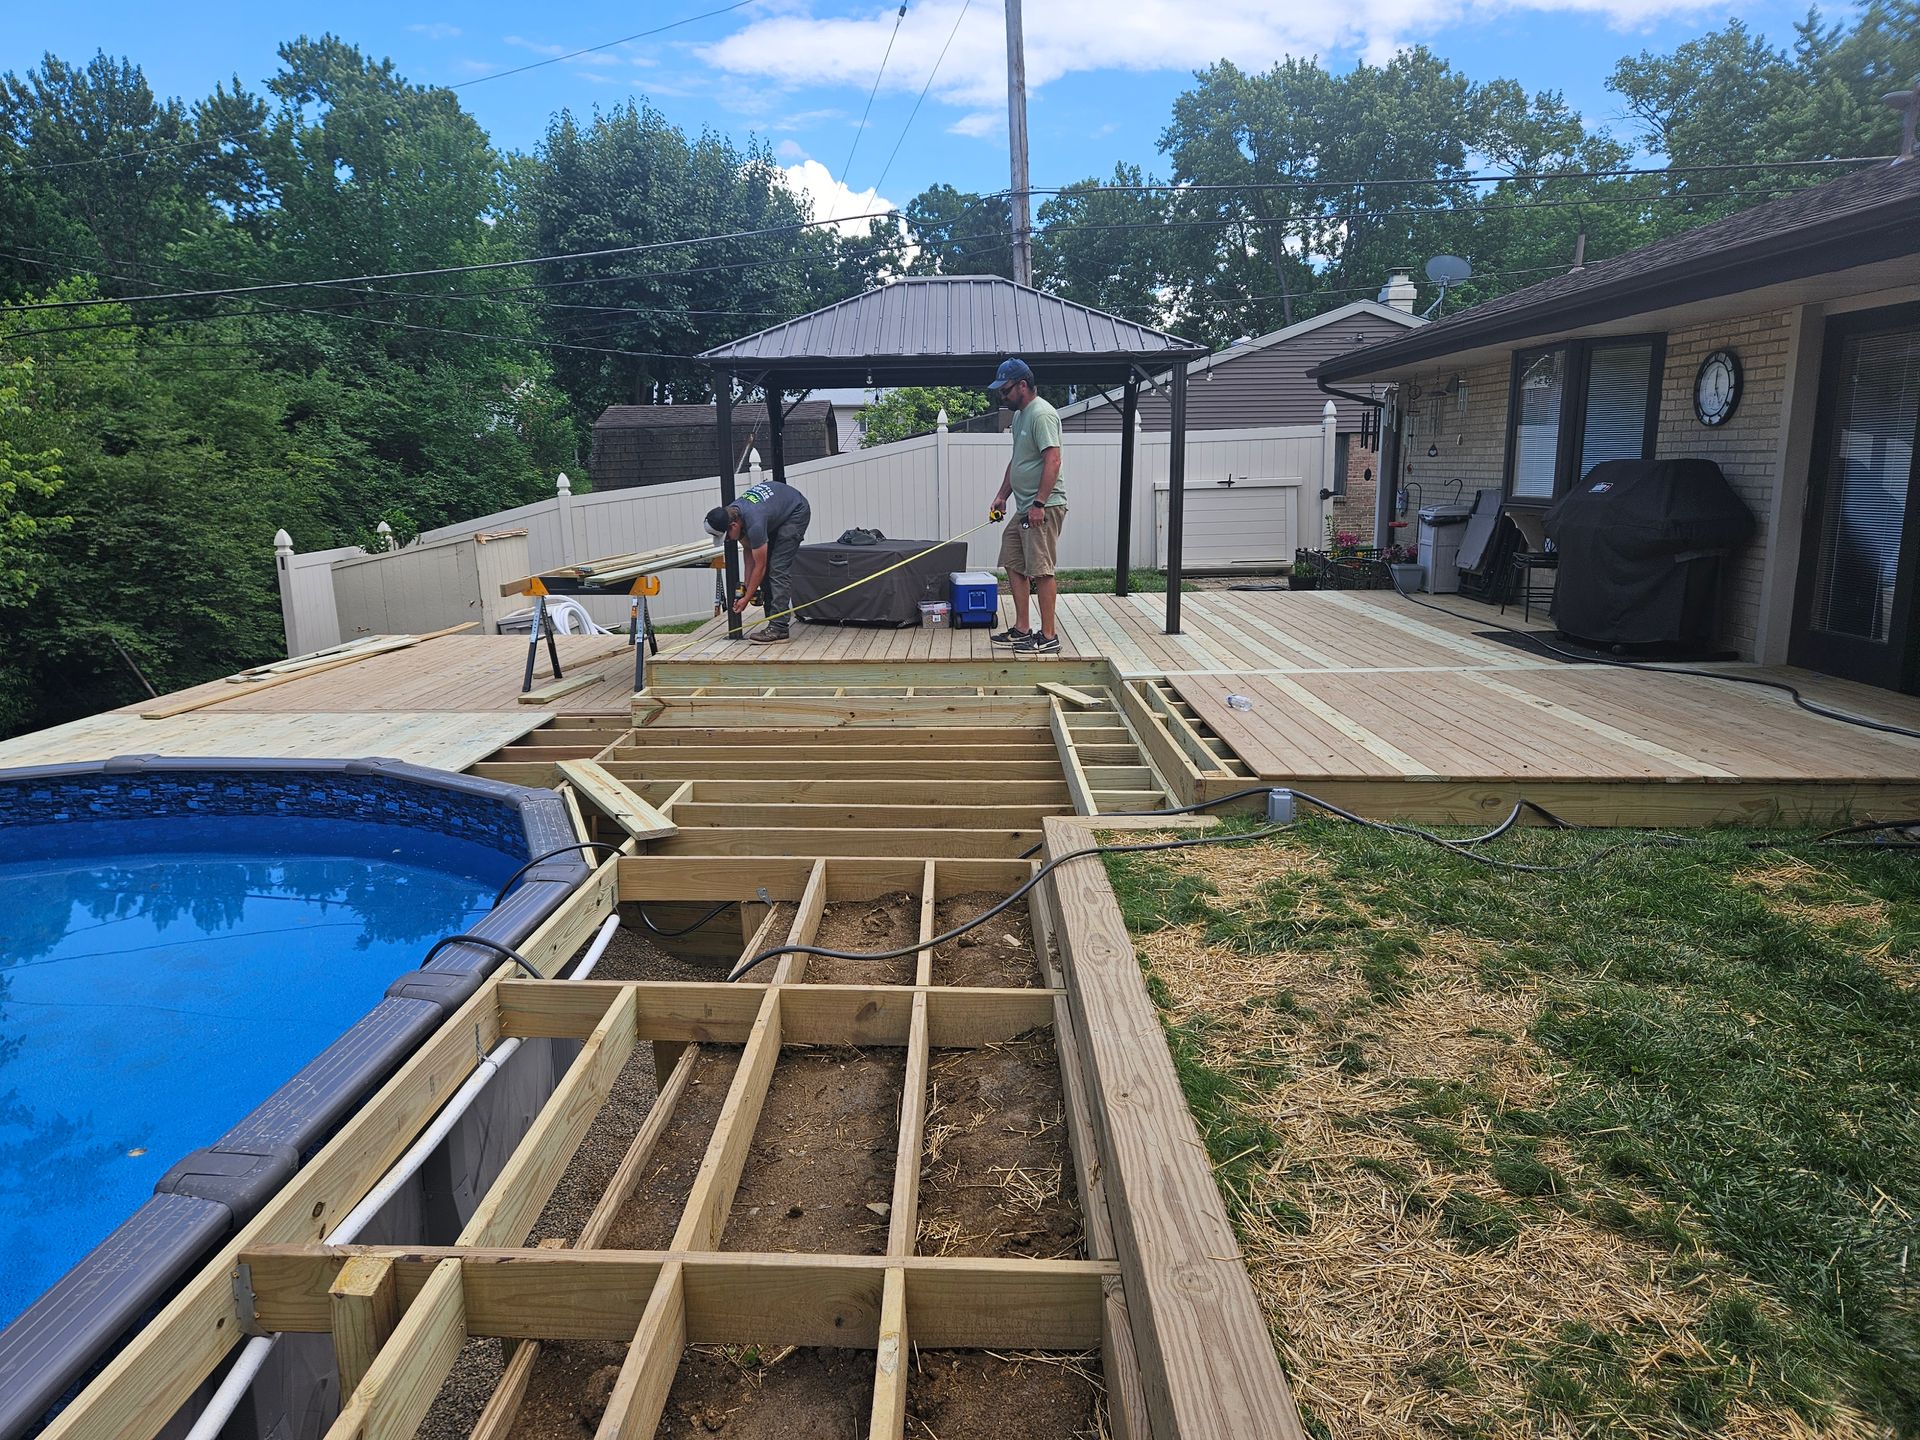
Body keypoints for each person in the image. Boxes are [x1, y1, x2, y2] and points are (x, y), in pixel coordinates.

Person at [985, 357, 1067, 655]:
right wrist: (1002, 495)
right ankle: (1022, 629)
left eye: (1005, 390)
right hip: (1024, 506)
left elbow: (1053, 460)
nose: (1002, 397)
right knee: (1012, 559)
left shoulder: (1042, 414)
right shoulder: (1020, 416)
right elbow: (1018, 461)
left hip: (1043, 506)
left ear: (1022, 385)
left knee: (1041, 569)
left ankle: (1048, 637)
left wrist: (1039, 503)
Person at [705, 475, 812, 644]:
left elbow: (759, 567)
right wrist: (747, 587)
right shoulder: (734, 514)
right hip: (778, 507)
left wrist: (746, 598)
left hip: (796, 511)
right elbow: (749, 555)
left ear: (733, 526)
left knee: (777, 568)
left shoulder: (754, 523)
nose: (728, 540)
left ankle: (779, 628)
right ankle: (773, 620)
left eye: (727, 537)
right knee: (769, 567)